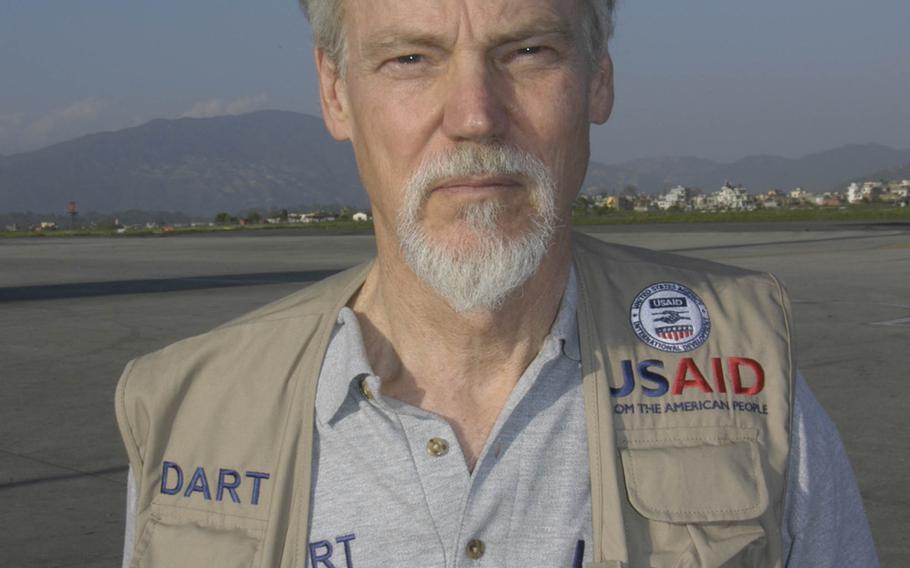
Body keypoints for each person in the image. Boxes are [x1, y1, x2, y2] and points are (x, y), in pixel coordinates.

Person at [117, 0, 879, 566]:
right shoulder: (194, 412)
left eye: (528, 52)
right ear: (336, 92)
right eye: (411, 59)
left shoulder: (746, 381)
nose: (475, 116)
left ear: (598, 83)